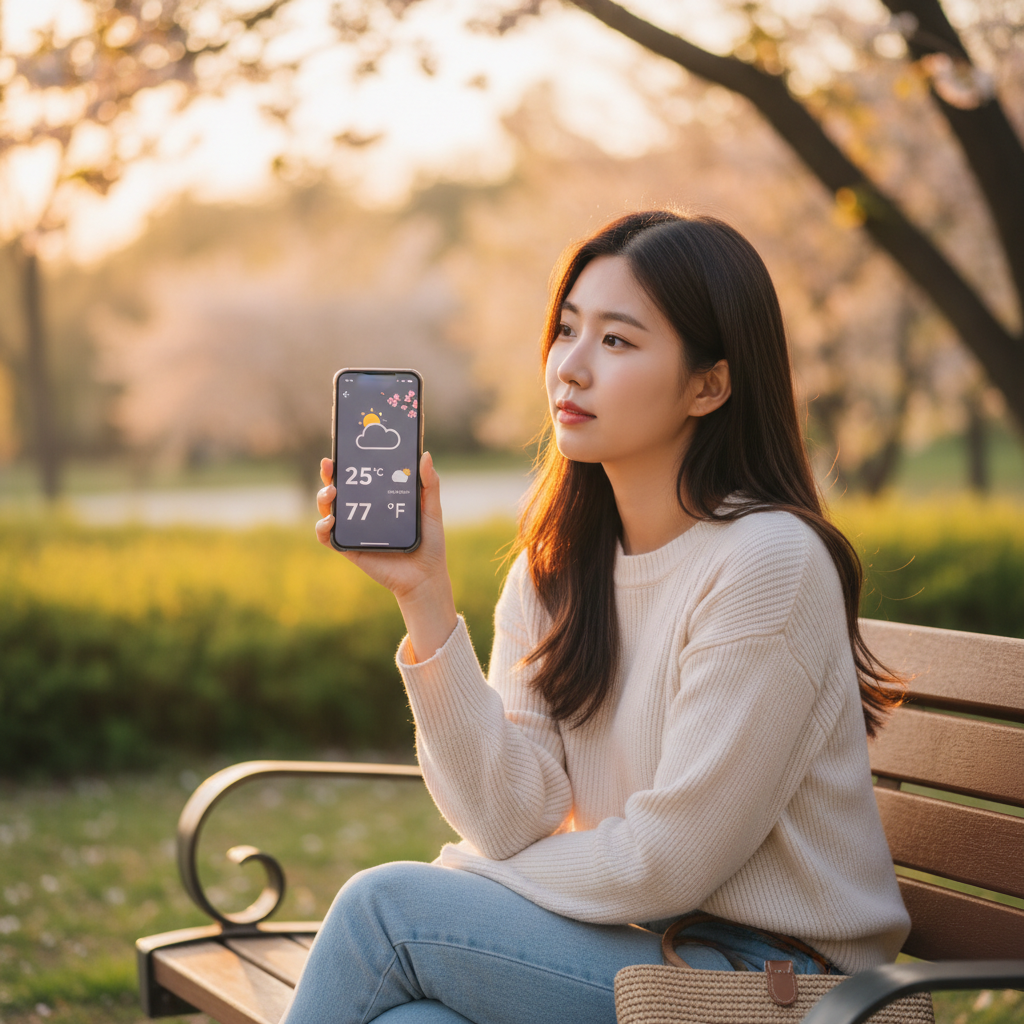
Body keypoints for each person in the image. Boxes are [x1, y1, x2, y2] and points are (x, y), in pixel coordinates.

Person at [294, 211, 911, 1024]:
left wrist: (478, 877)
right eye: (566, 330)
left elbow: (669, 860)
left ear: (709, 385)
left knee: (385, 911)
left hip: (774, 986)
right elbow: (510, 817)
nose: (570, 369)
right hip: (634, 946)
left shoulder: (768, 561)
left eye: (617, 342)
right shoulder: (557, 569)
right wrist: (424, 598)